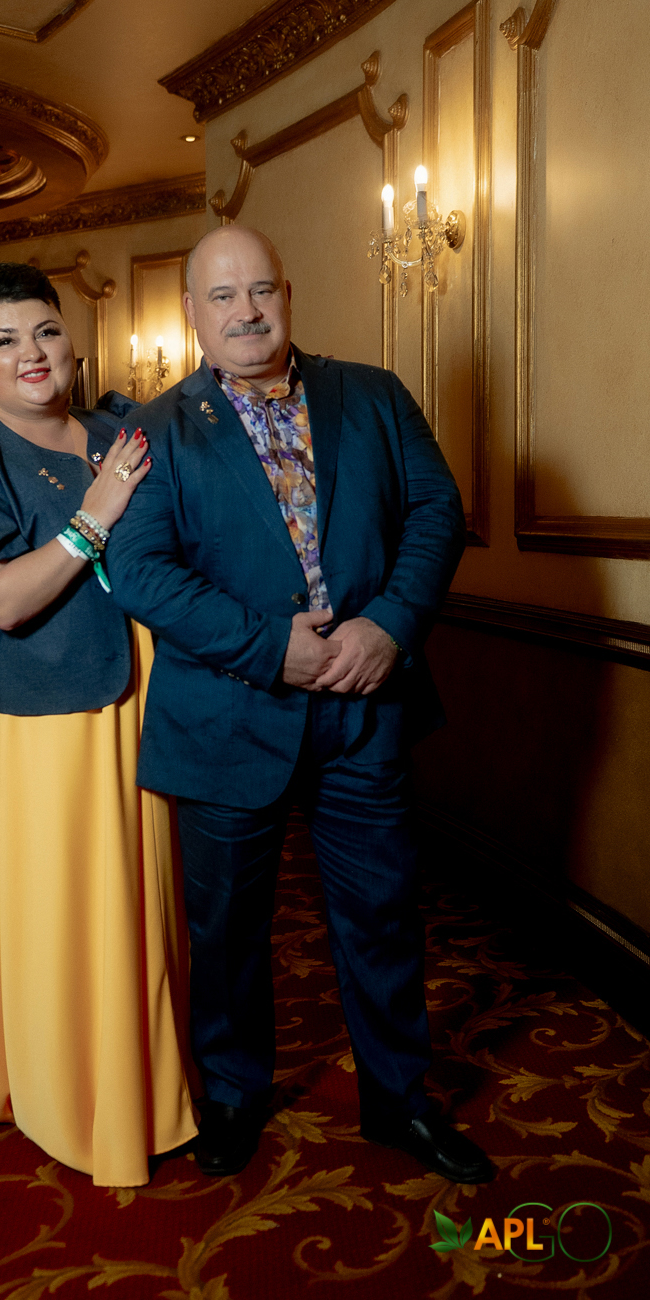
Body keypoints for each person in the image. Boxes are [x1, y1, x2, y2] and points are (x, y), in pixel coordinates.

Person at [107, 225, 494, 1184]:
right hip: (227, 718)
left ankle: (400, 1102)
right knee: (226, 931)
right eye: (222, 296)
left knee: (384, 916)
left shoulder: (374, 394)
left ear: (289, 295)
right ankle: (234, 1097)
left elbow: (438, 513)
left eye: (261, 290)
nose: (246, 312)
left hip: (365, 708)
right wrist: (271, 647)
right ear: (191, 313)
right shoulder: (153, 430)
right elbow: (140, 571)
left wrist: (389, 627)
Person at [0, 262, 197, 1188]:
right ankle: (68, 1095)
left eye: (43, 330)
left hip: (146, 703)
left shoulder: (127, 428)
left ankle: (149, 1082)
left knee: (143, 897)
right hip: (39, 720)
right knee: (62, 910)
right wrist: (93, 517)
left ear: (71, 338)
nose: (30, 353)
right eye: (4, 340)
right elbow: (0, 600)